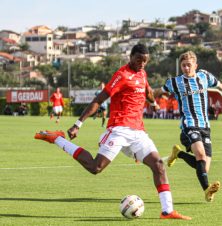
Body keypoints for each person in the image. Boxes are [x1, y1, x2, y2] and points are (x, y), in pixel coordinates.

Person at [34, 44, 191, 220]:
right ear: (130, 57)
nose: (141, 64)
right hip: (119, 129)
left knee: (158, 166)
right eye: (138, 60)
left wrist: (153, 102)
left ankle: (167, 211)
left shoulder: (142, 73)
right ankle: (57, 139)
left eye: (145, 61)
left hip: (138, 132)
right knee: (95, 167)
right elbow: (100, 99)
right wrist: (78, 123)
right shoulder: (121, 75)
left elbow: (146, 91)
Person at [160, 51, 222, 202]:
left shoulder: (204, 76)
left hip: (205, 126)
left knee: (203, 167)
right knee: (201, 156)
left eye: (189, 65)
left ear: (195, 65)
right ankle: (207, 190)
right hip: (189, 125)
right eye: (183, 65)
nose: (186, 68)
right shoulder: (175, 82)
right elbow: (157, 91)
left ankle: (178, 154)